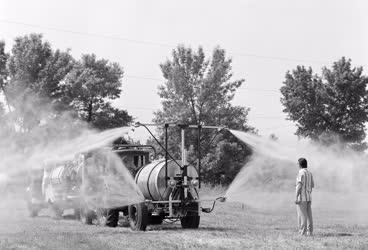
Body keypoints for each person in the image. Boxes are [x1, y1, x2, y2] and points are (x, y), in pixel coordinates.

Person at [295, 157, 314, 236]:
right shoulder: (309, 173)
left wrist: (296, 197)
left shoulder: (300, 173)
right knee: (309, 215)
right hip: (309, 197)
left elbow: (299, 186)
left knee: (302, 216)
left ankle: (302, 233)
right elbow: (312, 185)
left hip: (302, 198)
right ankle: (310, 232)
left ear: (300, 164)